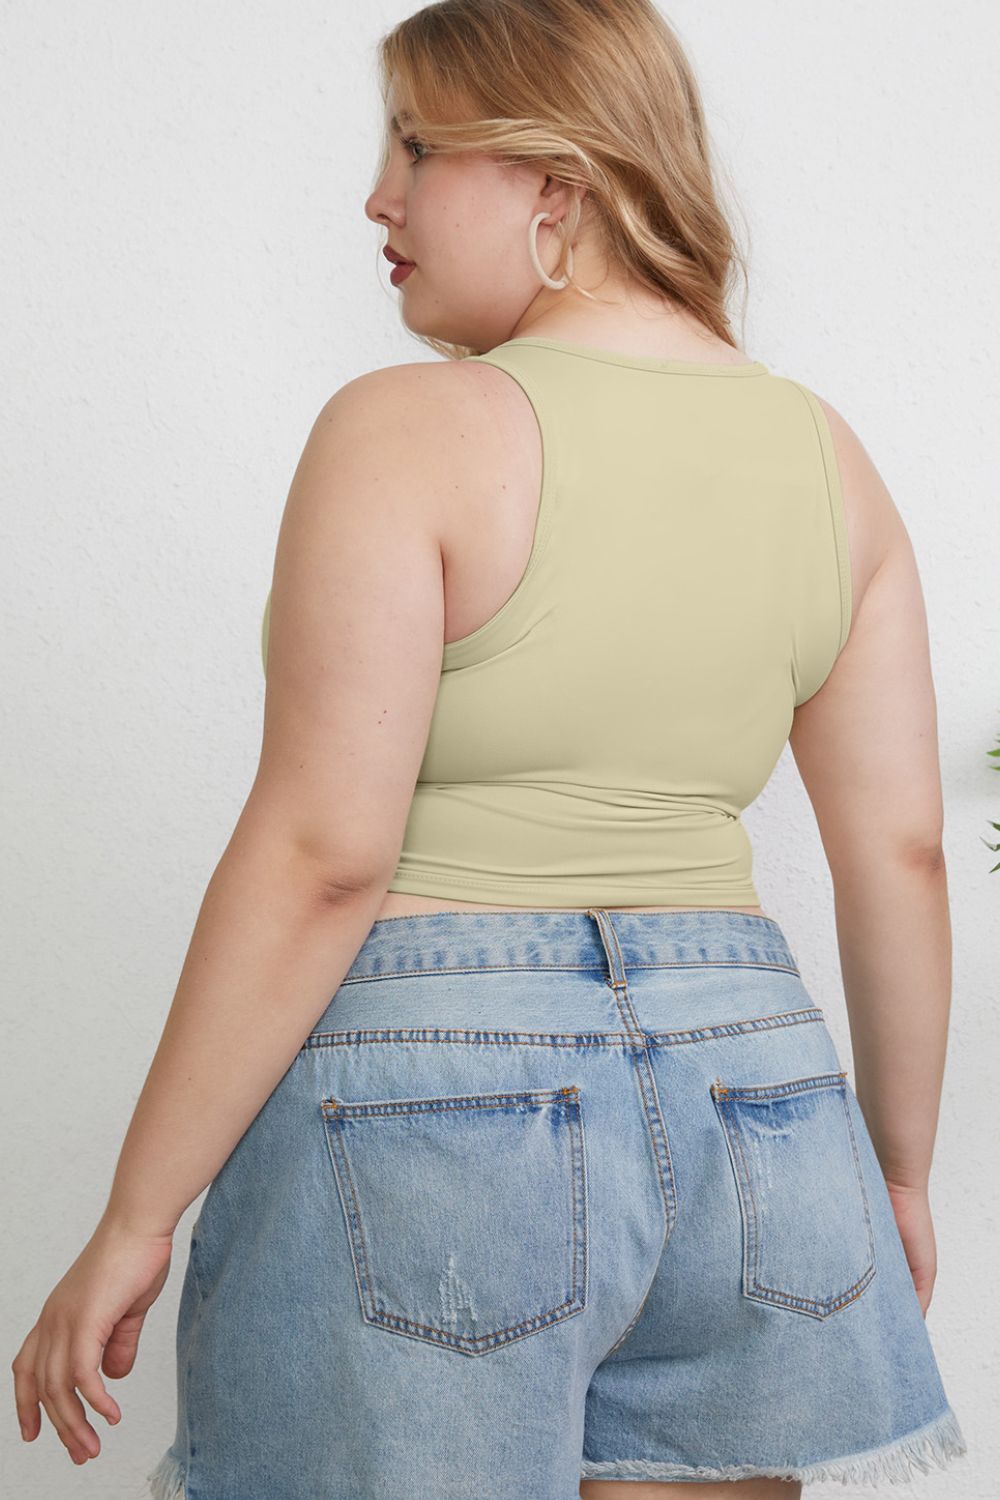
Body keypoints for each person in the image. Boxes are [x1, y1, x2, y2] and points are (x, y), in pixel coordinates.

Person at [12, 1, 968, 1496]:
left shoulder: (408, 431)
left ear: (557, 184)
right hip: (765, 1109)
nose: (377, 197)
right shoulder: (827, 457)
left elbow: (329, 855)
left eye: (416, 144)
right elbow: (900, 855)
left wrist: (138, 1214)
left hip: (436, 1109)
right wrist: (897, 1172)